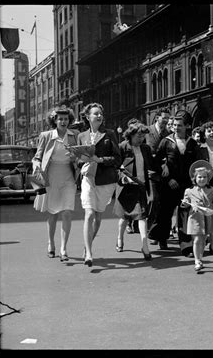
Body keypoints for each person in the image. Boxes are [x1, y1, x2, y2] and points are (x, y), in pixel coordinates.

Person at [69, 102, 121, 267]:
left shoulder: (109, 134)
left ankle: (88, 244)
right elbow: (76, 160)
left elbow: (117, 158)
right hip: (88, 178)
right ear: (87, 117)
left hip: (105, 180)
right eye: (95, 113)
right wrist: (80, 160)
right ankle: (89, 253)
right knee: (89, 214)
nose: (99, 116)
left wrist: (100, 160)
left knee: (98, 217)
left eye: (100, 113)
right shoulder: (81, 136)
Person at [32, 106, 79, 261]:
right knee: (53, 213)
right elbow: (37, 157)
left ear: (69, 120)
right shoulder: (46, 136)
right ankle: (51, 243)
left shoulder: (75, 135)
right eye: (60, 119)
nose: (63, 121)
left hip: (68, 177)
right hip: (51, 176)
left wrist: (76, 158)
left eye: (66, 119)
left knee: (66, 212)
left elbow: (81, 156)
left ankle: (63, 248)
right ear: (55, 120)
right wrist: (36, 165)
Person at [150, 110, 200, 255]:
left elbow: (197, 164)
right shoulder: (166, 142)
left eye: (180, 125)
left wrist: (194, 183)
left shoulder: (192, 143)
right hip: (169, 184)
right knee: (165, 212)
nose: (176, 128)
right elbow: (156, 162)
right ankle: (161, 238)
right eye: (175, 125)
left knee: (184, 214)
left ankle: (185, 246)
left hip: (186, 185)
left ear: (187, 127)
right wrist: (167, 176)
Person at [113, 121, 160, 261]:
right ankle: (120, 238)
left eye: (143, 136)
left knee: (142, 216)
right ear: (131, 135)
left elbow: (152, 164)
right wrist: (123, 177)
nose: (141, 139)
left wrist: (162, 166)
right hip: (126, 188)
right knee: (124, 218)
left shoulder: (145, 148)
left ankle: (144, 246)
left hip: (140, 186)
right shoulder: (122, 147)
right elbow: (116, 167)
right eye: (138, 136)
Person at [181, 160, 213, 272]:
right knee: (197, 239)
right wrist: (185, 203)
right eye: (200, 177)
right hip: (195, 219)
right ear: (195, 178)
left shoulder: (211, 190)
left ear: (208, 178)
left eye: (205, 177)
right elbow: (185, 203)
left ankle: (200, 257)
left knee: (203, 239)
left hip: (207, 218)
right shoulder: (189, 191)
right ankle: (197, 260)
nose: (202, 179)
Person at [145, 108, 171, 245]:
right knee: (153, 201)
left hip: (163, 174)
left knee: (164, 205)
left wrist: (166, 165)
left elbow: (170, 153)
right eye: (164, 118)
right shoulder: (147, 131)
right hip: (150, 173)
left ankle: (161, 236)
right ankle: (149, 230)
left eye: (168, 118)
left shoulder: (168, 134)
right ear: (157, 118)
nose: (166, 120)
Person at [197, 121, 213, 254]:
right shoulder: (200, 148)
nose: (212, 133)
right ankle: (210, 241)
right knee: (206, 212)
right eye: (208, 131)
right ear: (204, 134)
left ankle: (212, 240)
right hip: (204, 184)